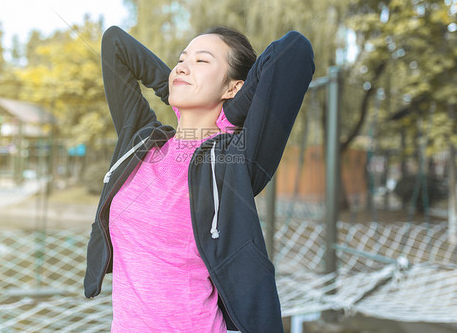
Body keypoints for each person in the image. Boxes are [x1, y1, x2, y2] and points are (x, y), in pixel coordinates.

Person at [84, 25, 315, 332]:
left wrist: (229, 115)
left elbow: (293, 51)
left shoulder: (233, 159)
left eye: (201, 61)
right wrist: (175, 88)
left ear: (233, 88)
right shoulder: (142, 142)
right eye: (182, 59)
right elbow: (115, 43)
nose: (183, 66)